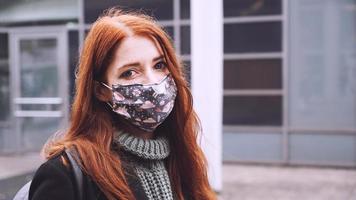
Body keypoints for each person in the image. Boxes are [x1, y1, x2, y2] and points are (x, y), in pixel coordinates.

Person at [28, 7, 216, 200]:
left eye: (159, 65)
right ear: (101, 91)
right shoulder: (65, 173)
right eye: (130, 72)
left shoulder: (183, 157)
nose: (153, 82)